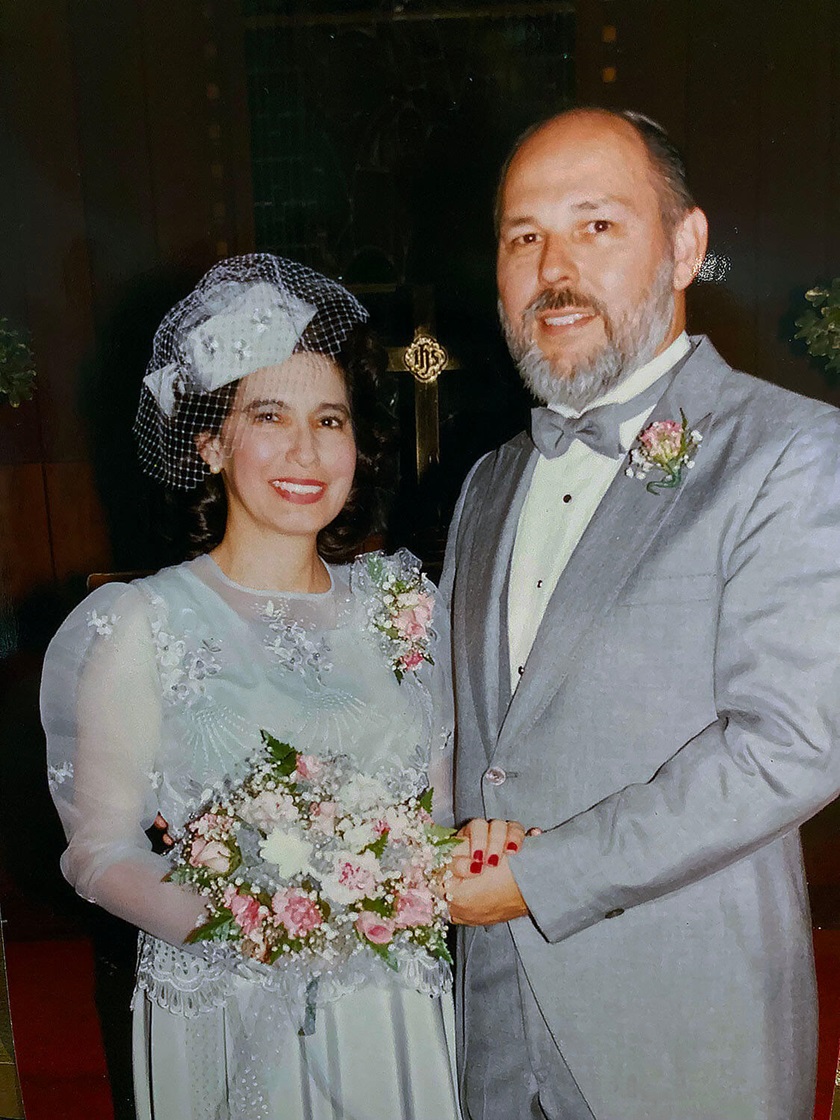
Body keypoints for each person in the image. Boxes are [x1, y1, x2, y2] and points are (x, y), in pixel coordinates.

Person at [442, 107, 840, 1120]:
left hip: (685, 1033)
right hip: (498, 1028)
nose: (554, 269)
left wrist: (541, 877)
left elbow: (793, 746)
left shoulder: (790, 452)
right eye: (523, 236)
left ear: (686, 245)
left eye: (597, 225)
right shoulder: (489, 484)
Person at [42, 254, 462, 1120]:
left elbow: (444, 812)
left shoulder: (403, 605)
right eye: (269, 415)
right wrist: (247, 924)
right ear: (211, 442)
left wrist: (398, 888)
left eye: (330, 419)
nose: (306, 450)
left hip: (389, 1002)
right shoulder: (143, 623)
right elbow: (98, 851)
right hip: (224, 999)